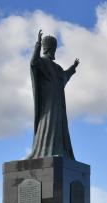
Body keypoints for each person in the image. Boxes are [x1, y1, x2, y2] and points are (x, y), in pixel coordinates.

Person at [27, 29, 80, 160]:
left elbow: (64, 77)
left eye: (53, 49)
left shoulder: (57, 68)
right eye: (51, 48)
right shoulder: (42, 62)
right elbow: (33, 62)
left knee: (58, 128)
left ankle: (58, 150)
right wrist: (37, 45)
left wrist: (73, 68)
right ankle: (42, 151)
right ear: (47, 49)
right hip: (48, 105)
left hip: (58, 105)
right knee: (46, 125)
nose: (53, 51)